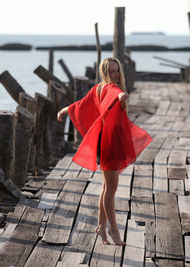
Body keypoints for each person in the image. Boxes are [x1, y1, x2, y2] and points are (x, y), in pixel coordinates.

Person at [57, 57, 152, 246]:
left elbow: (79, 105)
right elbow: (112, 93)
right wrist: (120, 96)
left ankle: (101, 226)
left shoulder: (98, 88)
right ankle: (114, 229)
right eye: (111, 71)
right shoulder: (109, 88)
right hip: (109, 143)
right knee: (111, 189)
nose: (115, 75)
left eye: (117, 71)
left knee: (106, 188)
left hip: (109, 141)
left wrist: (64, 110)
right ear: (104, 72)